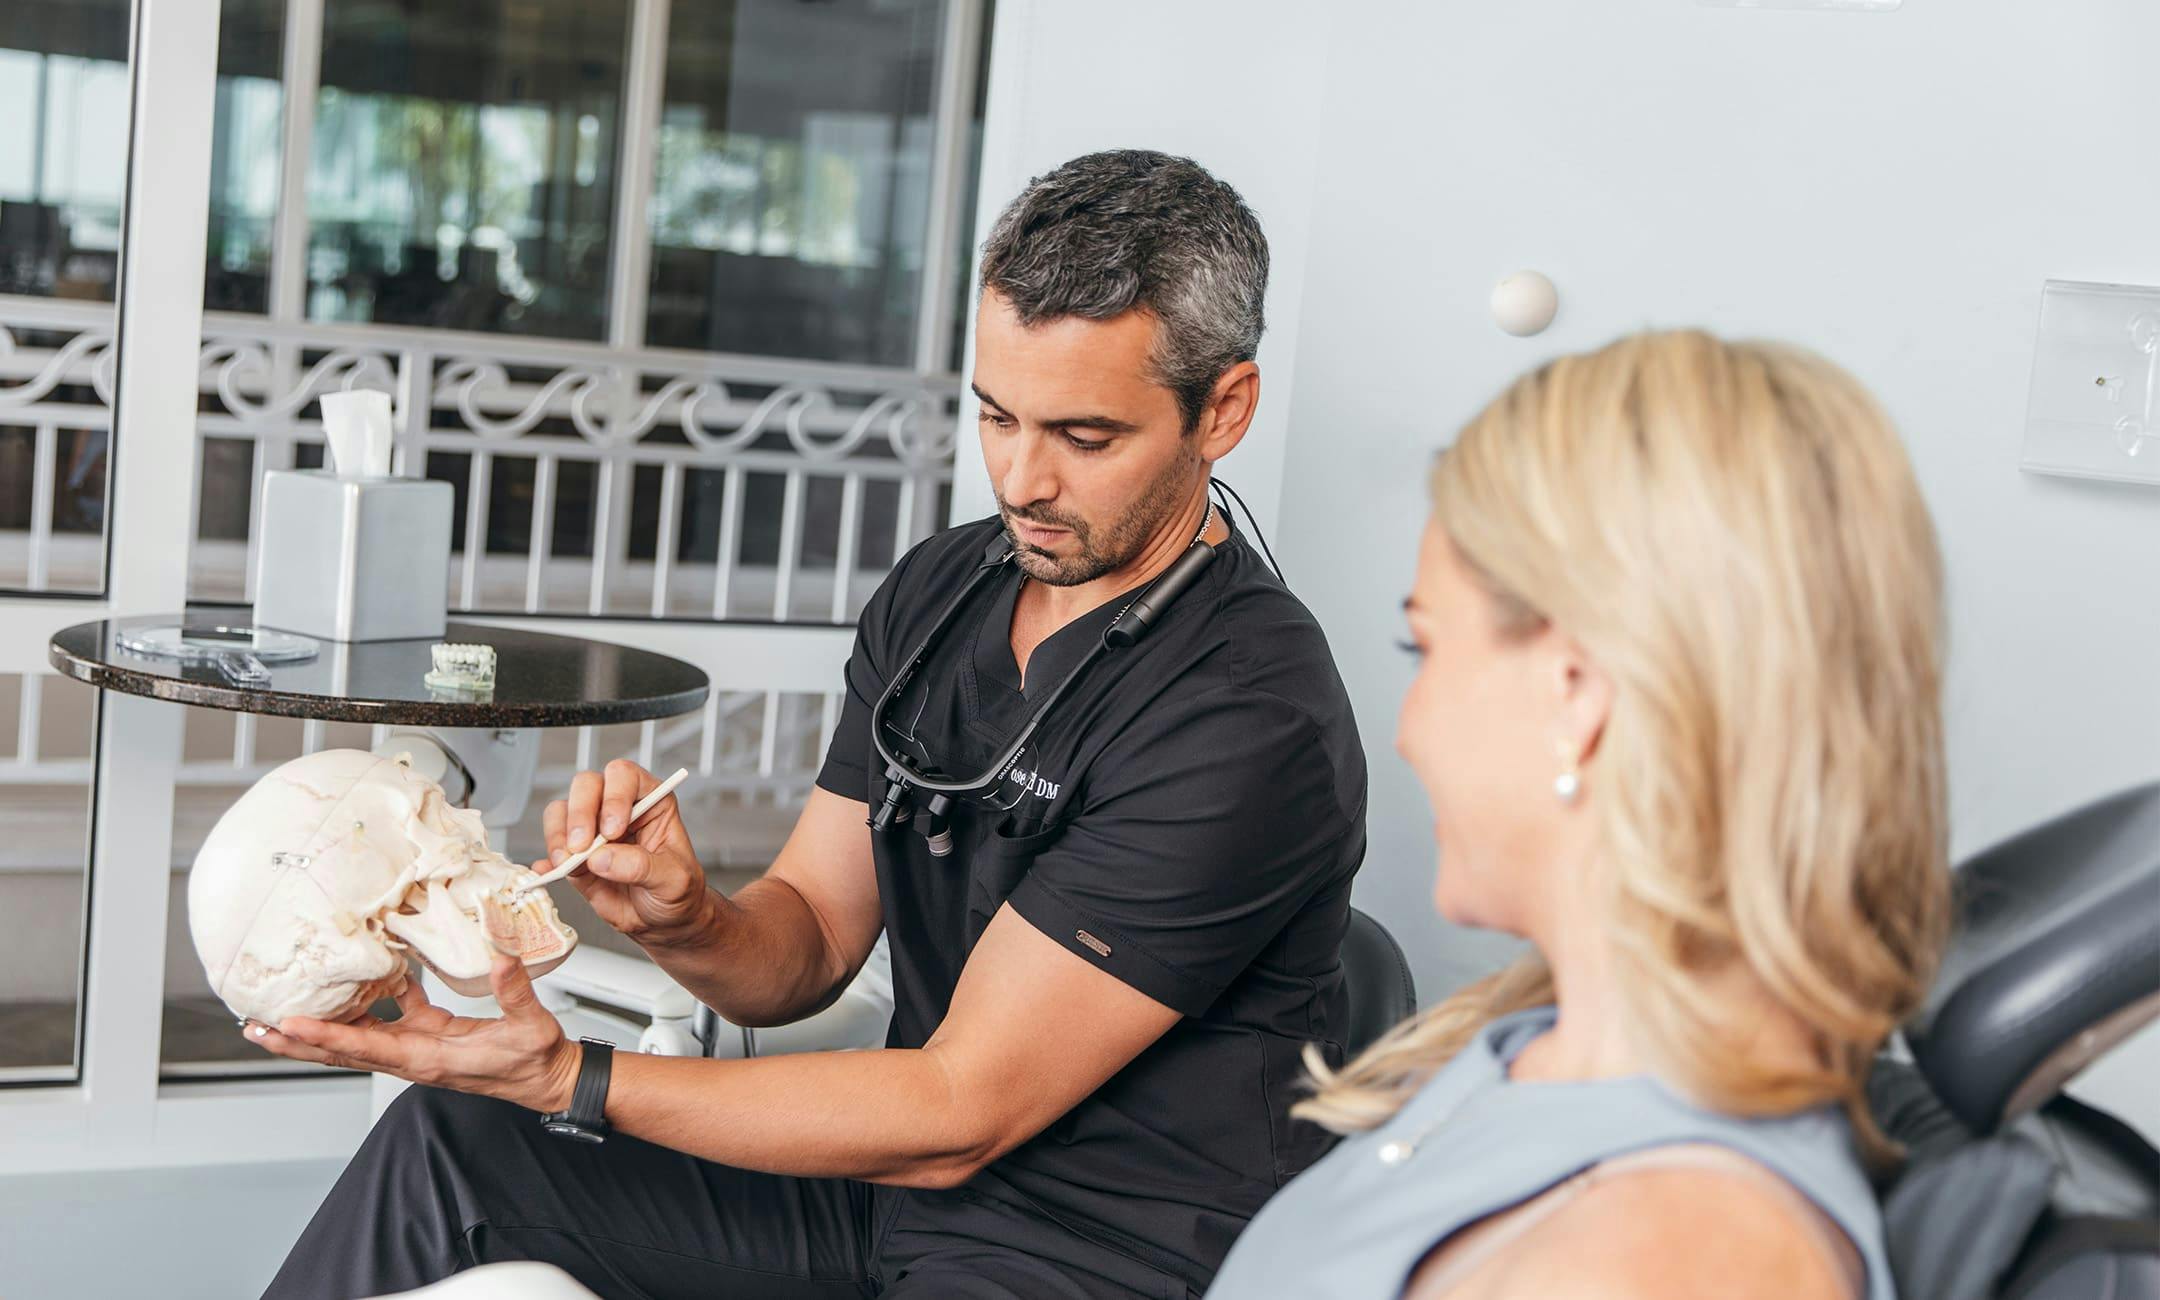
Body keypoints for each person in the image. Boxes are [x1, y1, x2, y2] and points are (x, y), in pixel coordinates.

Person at [250, 149, 1368, 1300]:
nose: (1021, 480)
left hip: (1090, 1257)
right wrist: (688, 920)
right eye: (995, 416)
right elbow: (808, 949)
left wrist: (569, 1075)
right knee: (453, 1148)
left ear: (1222, 409)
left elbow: (957, 1111)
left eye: (1084, 439)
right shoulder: (947, 592)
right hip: (890, 1198)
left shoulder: (1249, 712)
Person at [1205, 331, 1951, 1299]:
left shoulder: (1676, 1255)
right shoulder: (1541, 1043)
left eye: (1421, 644)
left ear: (1576, 691)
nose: (1407, 732)